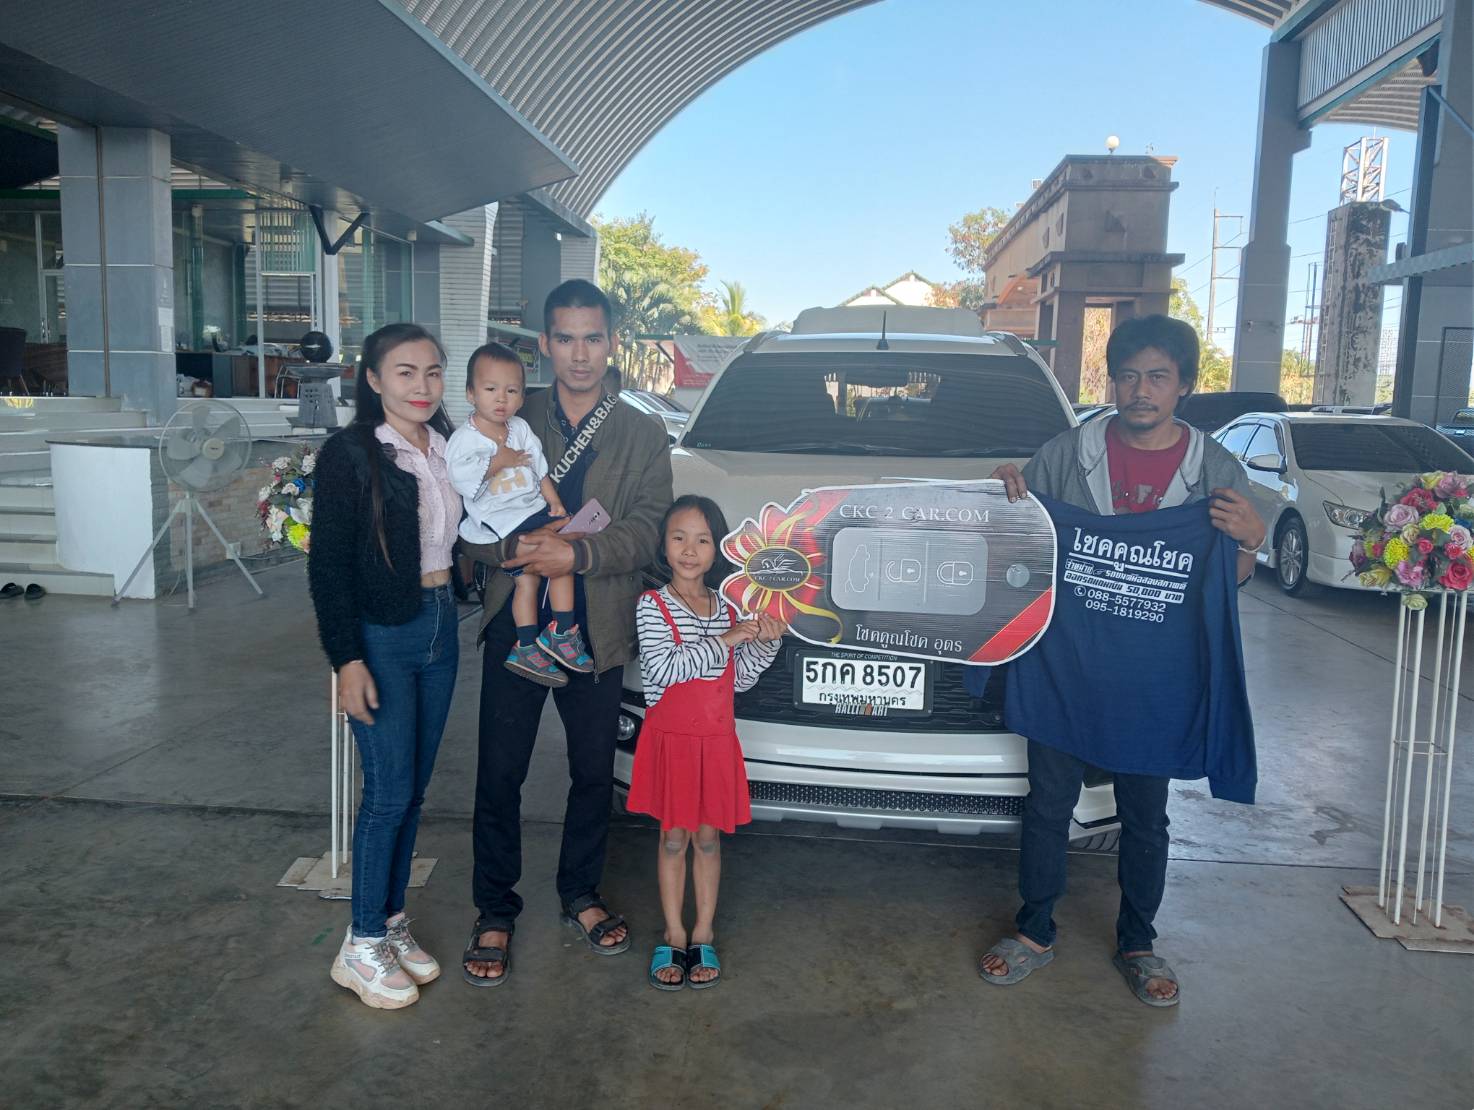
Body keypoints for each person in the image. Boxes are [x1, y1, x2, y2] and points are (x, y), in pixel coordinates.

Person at [979, 314, 1265, 1007]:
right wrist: (1006, 495)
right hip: (1065, 665)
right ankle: (1034, 931)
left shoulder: (1213, 470)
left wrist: (1252, 542)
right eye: (1129, 376)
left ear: (1184, 386)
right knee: (1048, 803)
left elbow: (1226, 579)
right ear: (1112, 382)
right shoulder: (1067, 453)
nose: (1141, 390)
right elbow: (1023, 539)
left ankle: (1138, 941)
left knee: (1145, 814)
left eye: (1158, 377)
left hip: (1155, 677)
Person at [458, 279, 673, 986]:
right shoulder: (509, 412)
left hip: (597, 626)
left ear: (612, 342)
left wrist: (575, 557)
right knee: (500, 772)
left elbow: (649, 529)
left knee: (590, 773)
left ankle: (580, 892)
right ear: (545, 345)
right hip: (516, 621)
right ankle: (495, 908)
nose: (580, 354)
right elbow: (464, 513)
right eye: (565, 338)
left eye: (593, 338)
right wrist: (515, 551)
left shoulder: (641, 431)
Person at [308, 323, 461, 1010]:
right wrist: (347, 659)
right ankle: (361, 942)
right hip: (381, 634)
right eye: (405, 372)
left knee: (415, 790)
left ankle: (391, 919)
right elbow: (328, 567)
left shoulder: (449, 446)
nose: (422, 386)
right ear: (373, 380)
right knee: (389, 793)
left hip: (441, 624)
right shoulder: (352, 454)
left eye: (433, 372)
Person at [628, 496, 785, 990]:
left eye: (702, 540)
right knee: (673, 838)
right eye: (679, 538)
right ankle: (673, 933)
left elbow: (739, 680)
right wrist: (728, 639)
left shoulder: (729, 608)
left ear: (717, 549)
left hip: (715, 742)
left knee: (708, 839)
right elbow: (665, 669)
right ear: (663, 545)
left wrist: (766, 641)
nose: (690, 550)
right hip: (672, 743)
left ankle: (703, 932)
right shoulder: (652, 606)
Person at [446, 342, 592, 686]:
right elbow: (460, 479)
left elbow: (540, 471)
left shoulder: (521, 429)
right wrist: (499, 461)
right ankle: (548, 636)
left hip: (531, 510)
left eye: (511, 391)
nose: (501, 398)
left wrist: (554, 502)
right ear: (470, 393)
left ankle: (540, 640)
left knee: (543, 572)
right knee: (549, 565)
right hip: (500, 521)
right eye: (490, 389)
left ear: (522, 397)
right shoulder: (464, 439)